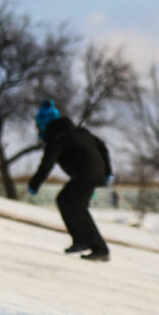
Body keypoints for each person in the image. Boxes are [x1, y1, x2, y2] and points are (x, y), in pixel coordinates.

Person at [26, 100, 112, 262]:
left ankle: (100, 249)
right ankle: (80, 241)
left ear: (44, 124)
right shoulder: (79, 131)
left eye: (38, 126)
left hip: (86, 174)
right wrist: (107, 172)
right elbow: (102, 146)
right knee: (64, 200)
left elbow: (47, 163)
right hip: (93, 172)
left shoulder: (57, 138)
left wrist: (34, 184)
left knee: (77, 207)